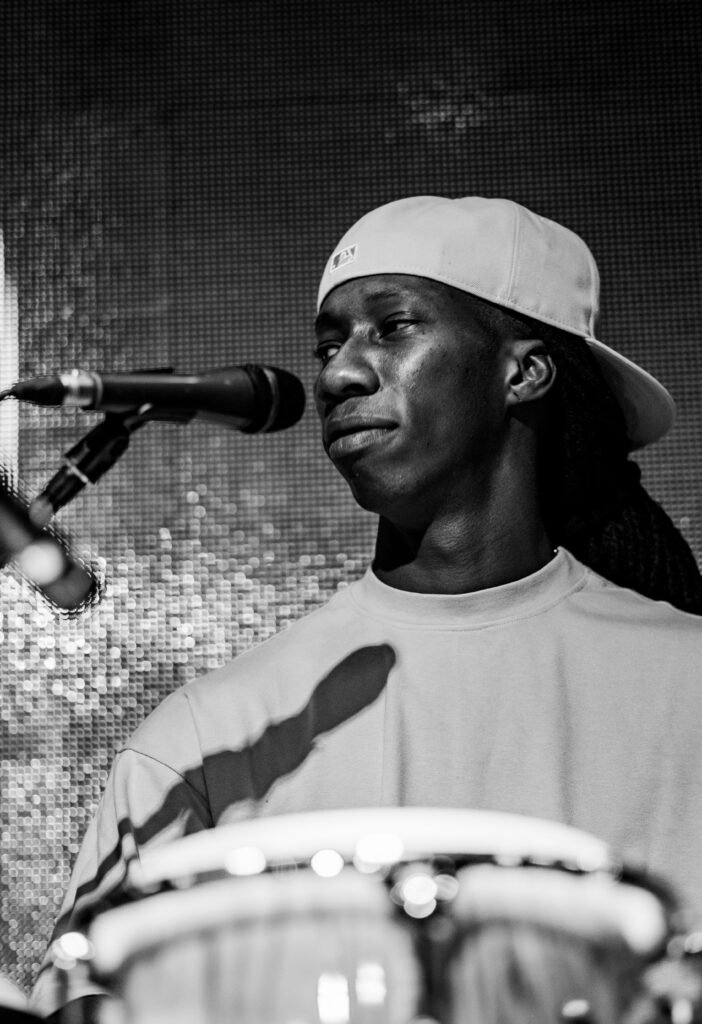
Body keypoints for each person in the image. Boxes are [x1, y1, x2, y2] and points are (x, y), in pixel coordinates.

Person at [31, 196, 702, 1019]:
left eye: (393, 327)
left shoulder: (686, 683)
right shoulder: (209, 739)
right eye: (329, 344)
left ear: (523, 372)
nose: (338, 374)